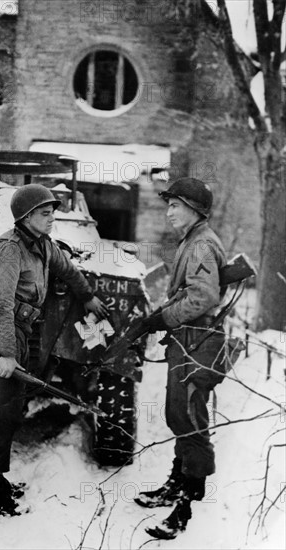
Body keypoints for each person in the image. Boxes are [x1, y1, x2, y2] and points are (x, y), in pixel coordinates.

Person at [0, 183, 108, 517]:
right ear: (27, 216)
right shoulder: (8, 249)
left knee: (9, 408)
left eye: (52, 214)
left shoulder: (43, 246)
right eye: (45, 214)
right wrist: (5, 352)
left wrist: (87, 295)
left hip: (17, 334)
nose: (51, 220)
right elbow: (0, 304)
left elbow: (67, 270)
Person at [133, 177, 227, 539]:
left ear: (195, 210)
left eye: (175, 205)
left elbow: (202, 298)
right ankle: (177, 482)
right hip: (189, 340)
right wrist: (161, 315)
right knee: (179, 412)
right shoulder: (192, 240)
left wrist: (163, 318)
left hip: (199, 341)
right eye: (169, 204)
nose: (169, 211)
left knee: (189, 418)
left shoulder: (202, 244)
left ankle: (185, 506)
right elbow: (188, 293)